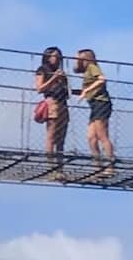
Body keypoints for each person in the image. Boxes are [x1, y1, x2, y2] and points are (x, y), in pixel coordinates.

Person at [75, 49, 114, 178]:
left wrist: (86, 91)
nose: (78, 62)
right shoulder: (86, 71)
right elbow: (85, 86)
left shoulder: (92, 67)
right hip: (94, 105)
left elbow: (102, 80)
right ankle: (97, 167)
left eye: (80, 59)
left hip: (101, 103)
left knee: (102, 136)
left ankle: (110, 166)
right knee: (91, 138)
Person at [34, 47, 70, 182]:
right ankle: (51, 168)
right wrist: (54, 78)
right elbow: (39, 88)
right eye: (55, 56)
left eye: (59, 56)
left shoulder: (61, 73)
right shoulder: (42, 70)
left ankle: (60, 170)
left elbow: (68, 93)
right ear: (48, 57)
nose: (57, 58)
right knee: (51, 137)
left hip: (63, 105)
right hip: (52, 104)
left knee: (61, 141)